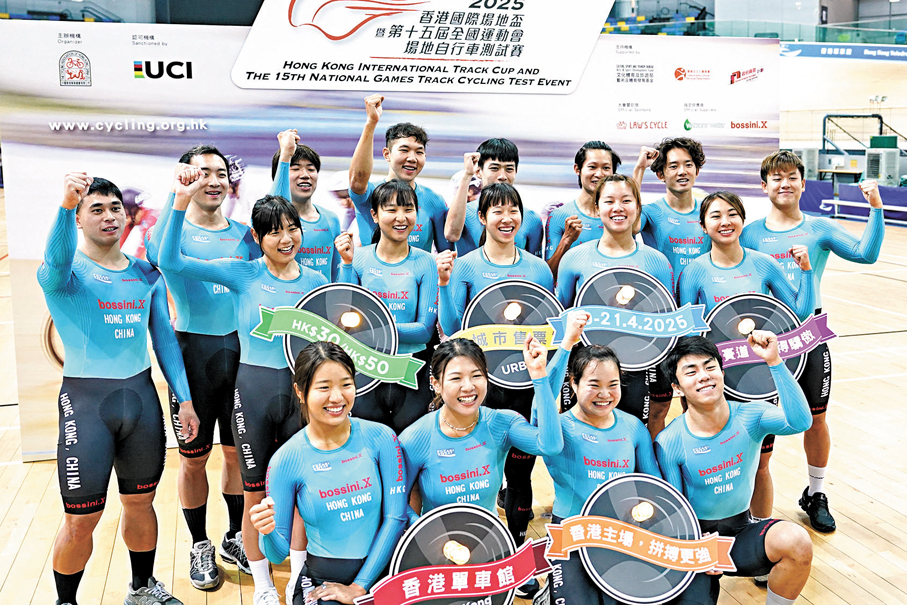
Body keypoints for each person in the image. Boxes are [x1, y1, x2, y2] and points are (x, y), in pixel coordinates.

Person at [157, 164, 328, 605]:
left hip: (300, 399)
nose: (286, 239)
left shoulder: (317, 282)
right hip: (252, 394)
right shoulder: (244, 273)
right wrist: (179, 201)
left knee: (302, 489)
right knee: (255, 493)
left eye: (292, 229)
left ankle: (298, 577)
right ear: (257, 236)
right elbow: (170, 261)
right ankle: (264, 584)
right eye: (274, 232)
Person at [40, 172, 196, 605]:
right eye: (96, 209)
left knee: (141, 504)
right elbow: (55, 260)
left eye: (115, 208)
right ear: (79, 219)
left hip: (140, 402)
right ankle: (66, 602)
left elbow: (165, 340)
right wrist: (65, 204)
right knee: (80, 522)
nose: (110, 216)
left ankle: (142, 588)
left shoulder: (145, 273)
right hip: (87, 407)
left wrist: (184, 399)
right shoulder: (64, 274)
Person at [741, 151, 885, 533]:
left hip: (809, 337)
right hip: (765, 342)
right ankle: (755, 509)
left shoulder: (819, 228)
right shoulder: (749, 233)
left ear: (803, 184)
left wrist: (875, 207)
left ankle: (816, 494)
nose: (784, 183)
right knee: (762, 428)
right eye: (776, 177)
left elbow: (866, 254)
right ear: (764, 186)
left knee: (816, 420)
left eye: (791, 176)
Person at [145, 144, 260, 589]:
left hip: (240, 357)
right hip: (193, 358)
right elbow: (161, 255)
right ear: (185, 178)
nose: (213, 181)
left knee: (235, 456)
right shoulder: (169, 232)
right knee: (194, 461)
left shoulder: (246, 235)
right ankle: (199, 543)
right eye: (202, 173)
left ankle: (234, 536)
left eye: (220, 173)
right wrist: (177, 196)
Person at [435, 182, 554, 596]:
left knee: (520, 476)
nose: (506, 218)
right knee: (474, 476)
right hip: (478, 389)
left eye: (513, 210)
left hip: (522, 387)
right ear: (481, 217)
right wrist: (445, 283)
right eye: (496, 211)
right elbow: (452, 328)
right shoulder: (466, 266)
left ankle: (518, 559)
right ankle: (471, 556)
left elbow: (547, 331)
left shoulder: (539, 269)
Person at [677, 190, 814, 532]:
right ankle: (704, 532)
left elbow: (798, 313)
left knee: (760, 464)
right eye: (715, 216)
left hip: (755, 382)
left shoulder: (763, 263)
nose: (725, 222)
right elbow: (687, 335)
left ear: (742, 219)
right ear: (703, 226)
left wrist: (806, 272)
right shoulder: (693, 271)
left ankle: (759, 532)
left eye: (732, 214)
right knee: (710, 463)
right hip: (711, 384)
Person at [399, 334, 564, 596]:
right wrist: (431, 539)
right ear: (436, 384)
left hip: (490, 550)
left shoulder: (500, 424)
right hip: (436, 556)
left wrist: (539, 377)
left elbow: (550, 445)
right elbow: (399, 506)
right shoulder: (415, 438)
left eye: (476, 376)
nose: (468, 387)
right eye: (456, 378)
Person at [656, 334, 813, 605]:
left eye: (710, 366)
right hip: (695, 541)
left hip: (740, 533)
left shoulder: (751, 417)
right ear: (677, 388)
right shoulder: (670, 441)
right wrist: (696, 548)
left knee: (797, 541)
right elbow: (674, 512)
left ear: (722, 372)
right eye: (691, 372)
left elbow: (800, 422)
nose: (704, 376)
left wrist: (774, 361)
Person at [249, 342, 407, 605]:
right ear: (300, 392)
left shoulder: (381, 437)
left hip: (383, 575)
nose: (337, 397)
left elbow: (396, 517)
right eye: (324, 387)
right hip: (323, 582)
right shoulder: (286, 460)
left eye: (346, 384)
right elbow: (277, 555)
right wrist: (267, 531)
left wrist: (359, 586)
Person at [537, 312, 662, 605]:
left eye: (613, 384)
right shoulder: (558, 428)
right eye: (594, 384)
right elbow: (541, 402)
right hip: (570, 534)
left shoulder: (632, 427)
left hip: (621, 535)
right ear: (574, 383)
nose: (604, 394)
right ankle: (549, 594)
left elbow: (654, 486)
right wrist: (566, 344)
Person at [556, 174, 675, 437]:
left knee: (629, 437)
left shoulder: (657, 262)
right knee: (577, 438)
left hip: (637, 368)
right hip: (584, 367)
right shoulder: (574, 258)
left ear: (638, 207)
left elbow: (667, 322)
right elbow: (561, 316)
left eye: (626, 200)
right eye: (609, 201)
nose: (618, 208)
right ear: (597, 207)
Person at [334, 180, 439, 434]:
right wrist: (346, 264)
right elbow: (344, 322)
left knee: (412, 450)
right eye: (391, 209)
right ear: (374, 214)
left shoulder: (426, 262)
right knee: (366, 448)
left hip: (412, 371)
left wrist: (371, 330)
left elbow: (424, 331)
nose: (401, 218)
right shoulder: (357, 258)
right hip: (365, 370)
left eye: (408, 209)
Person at [348, 94, 450, 251]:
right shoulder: (370, 194)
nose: (412, 158)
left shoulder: (434, 201)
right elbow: (357, 179)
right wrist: (371, 122)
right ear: (387, 154)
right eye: (404, 150)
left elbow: (446, 253)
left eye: (419, 152)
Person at [444, 138, 544, 257]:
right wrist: (467, 175)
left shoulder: (531, 219)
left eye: (509, 169)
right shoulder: (463, 213)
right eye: (494, 168)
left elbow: (534, 264)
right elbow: (451, 235)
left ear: (516, 172)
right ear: (478, 172)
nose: (502, 176)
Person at [633, 137, 711, 281]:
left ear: (697, 171)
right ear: (660, 175)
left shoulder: (710, 210)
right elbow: (631, 226)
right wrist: (639, 169)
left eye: (688, 165)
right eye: (674, 166)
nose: (682, 172)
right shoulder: (651, 212)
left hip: (702, 293)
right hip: (662, 293)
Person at [271, 128, 342, 281]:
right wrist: (285, 155)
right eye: (295, 168)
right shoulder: (265, 218)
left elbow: (335, 276)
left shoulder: (331, 219)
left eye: (311, 169)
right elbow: (276, 211)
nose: (305, 175)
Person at [545, 141, 621, 278]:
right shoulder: (559, 216)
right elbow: (547, 277)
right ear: (577, 169)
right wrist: (566, 241)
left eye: (606, 168)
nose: (599, 174)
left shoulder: (620, 216)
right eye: (592, 167)